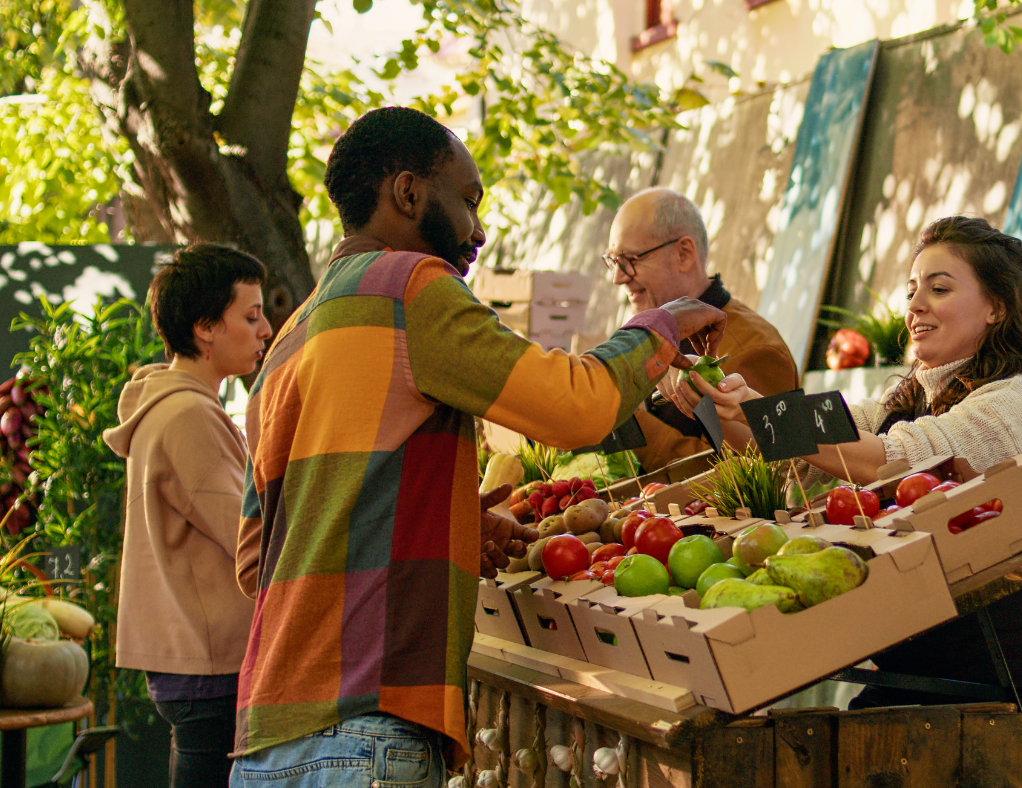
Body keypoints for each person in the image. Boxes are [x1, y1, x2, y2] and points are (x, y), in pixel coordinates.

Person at [228, 107, 726, 787]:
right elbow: (576, 405)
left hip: (267, 740)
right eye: (467, 201)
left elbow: (260, 559)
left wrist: (456, 524)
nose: (479, 230)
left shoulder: (288, 340)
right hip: (371, 721)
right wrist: (656, 326)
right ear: (407, 193)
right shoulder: (411, 287)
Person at [686, 216, 1022, 788]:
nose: (915, 305)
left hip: (1013, 692)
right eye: (912, 290)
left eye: (939, 289)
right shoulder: (903, 399)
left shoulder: (1021, 403)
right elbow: (817, 435)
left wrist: (759, 411)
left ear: (997, 307)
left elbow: (895, 457)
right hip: (917, 679)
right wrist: (722, 403)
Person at [103, 243, 273, 788]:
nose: (266, 330)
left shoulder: (177, 406)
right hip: (209, 661)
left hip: (194, 659)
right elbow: (249, 535)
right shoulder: (188, 415)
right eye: (250, 316)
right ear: (204, 328)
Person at [605, 187, 798, 471]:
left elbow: (756, 474)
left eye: (630, 261)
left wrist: (630, 423)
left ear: (684, 253)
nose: (618, 278)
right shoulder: (656, 333)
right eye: (612, 261)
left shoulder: (755, 348)